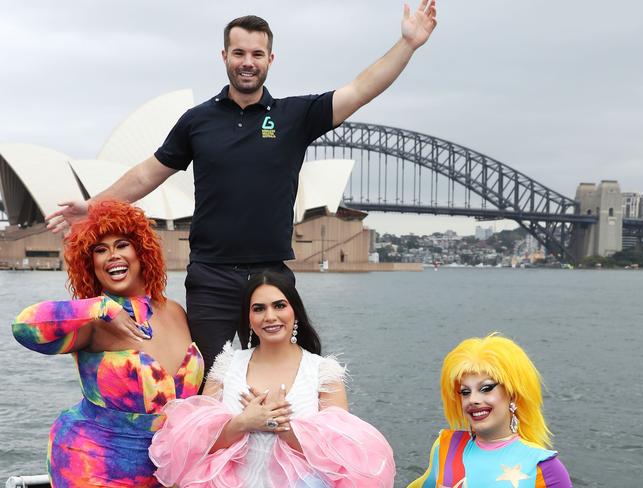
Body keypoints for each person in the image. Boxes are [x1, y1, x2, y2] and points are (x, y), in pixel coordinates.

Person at [45, 3, 438, 376]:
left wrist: (407, 44)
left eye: (257, 53)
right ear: (224, 56)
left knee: (279, 378)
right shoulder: (197, 121)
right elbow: (150, 172)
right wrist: (94, 207)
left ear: (270, 59)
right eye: (239, 53)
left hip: (271, 275)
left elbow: (359, 90)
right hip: (211, 277)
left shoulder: (295, 116)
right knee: (204, 380)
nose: (247, 62)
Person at [12, 200, 204, 488]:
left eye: (122, 244)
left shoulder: (175, 311)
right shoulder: (93, 321)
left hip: (169, 469)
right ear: (90, 264)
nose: (112, 256)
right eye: (100, 250)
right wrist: (101, 307)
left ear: (142, 251)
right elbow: (24, 326)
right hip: (94, 465)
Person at [148, 271, 395, 487]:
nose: (270, 316)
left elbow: (341, 456)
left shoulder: (323, 372)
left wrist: (284, 429)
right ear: (248, 318)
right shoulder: (226, 367)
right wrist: (243, 423)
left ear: (295, 311)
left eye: (279, 306)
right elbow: (196, 446)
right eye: (259, 308)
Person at [408, 334, 572, 488]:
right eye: (465, 392)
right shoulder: (446, 447)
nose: (473, 399)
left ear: (512, 393)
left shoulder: (543, 467)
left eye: (486, 388)